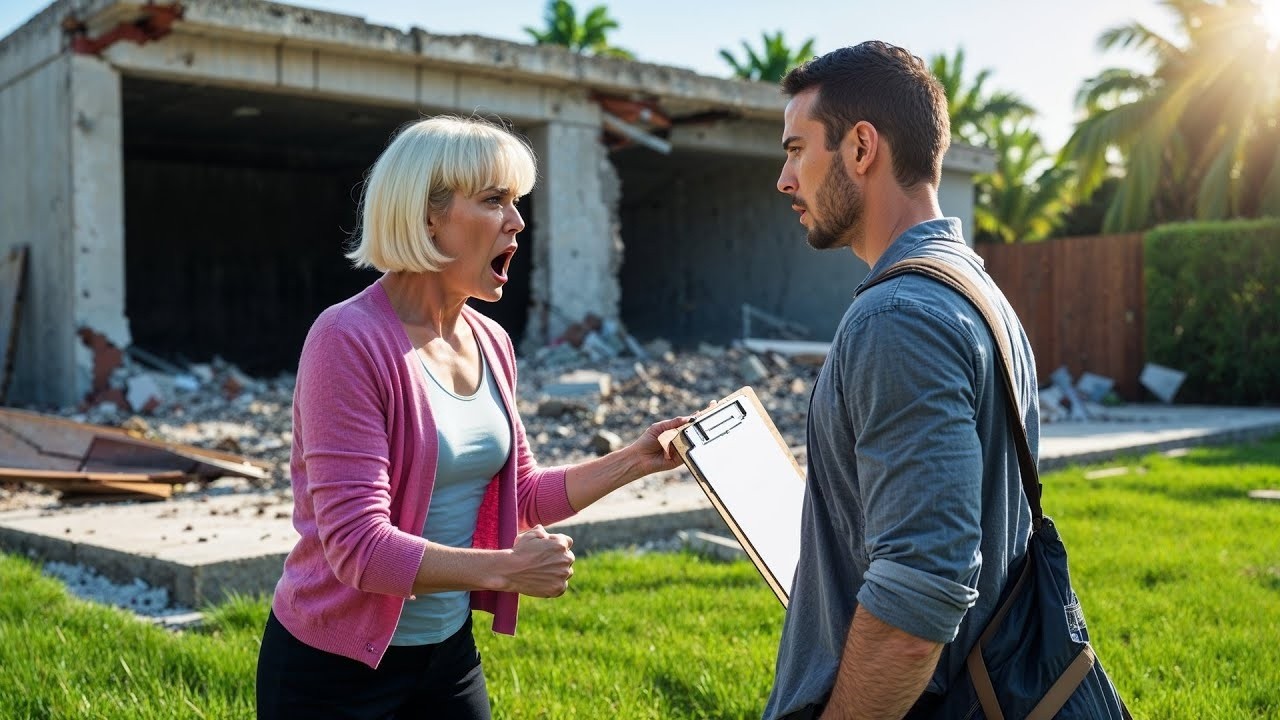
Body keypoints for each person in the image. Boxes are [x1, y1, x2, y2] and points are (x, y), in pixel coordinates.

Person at [256, 115, 689, 719]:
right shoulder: (346, 339)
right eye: (493, 201)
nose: (516, 221)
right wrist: (509, 571)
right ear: (426, 216)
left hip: (446, 656)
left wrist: (638, 459)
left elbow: (520, 493)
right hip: (334, 671)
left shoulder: (490, 340)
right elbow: (357, 549)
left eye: (516, 202)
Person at [764, 41, 1040, 720]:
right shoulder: (972, 289)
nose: (784, 178)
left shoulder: (899, 316)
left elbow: (922, 588)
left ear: (861, 148)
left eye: (797, 149)